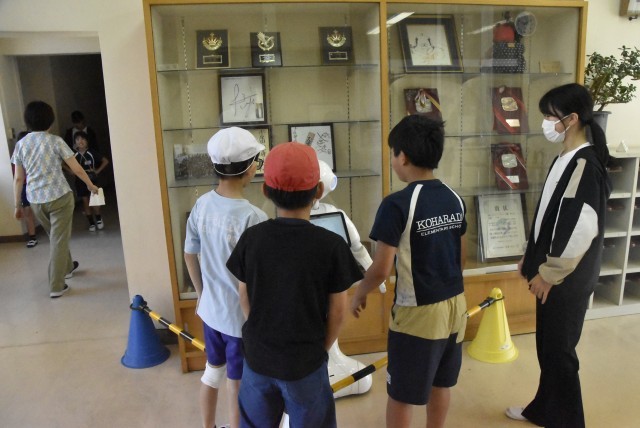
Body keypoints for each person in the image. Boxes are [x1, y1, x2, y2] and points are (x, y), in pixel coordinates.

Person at [226, 142, 363, 427]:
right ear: (319, 191)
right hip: (306, 364)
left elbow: (244, 296)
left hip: (258, 359)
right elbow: (338, 311)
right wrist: (320, 350)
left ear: (265, 190)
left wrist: (261, 333)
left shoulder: (252, 239)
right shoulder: (331, 245)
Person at [350, 115, 468, 428]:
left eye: (392, 154)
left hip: (418, 312)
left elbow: (381, 268)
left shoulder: (397, 204)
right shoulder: (454, 198)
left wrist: (360, 292)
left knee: (401, 393)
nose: (392, 161)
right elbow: (462, 257)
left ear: (402, 156)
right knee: (441, 383)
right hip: (456, 305)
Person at [505, 83, 611, 427]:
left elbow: (581, 228)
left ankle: (567, 421)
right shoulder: (564, 159)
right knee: (548, 349)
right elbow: (549, 215)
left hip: (566, 279)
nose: (546, 123)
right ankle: (543, 410)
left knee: (560, 353)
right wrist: (530, 254)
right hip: (550, 271)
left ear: (572, 119)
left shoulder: (586, 165)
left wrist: (549, 274)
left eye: (551, 116)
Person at [183, 127, 268, 428]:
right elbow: (257, 279)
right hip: (238, 320)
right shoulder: (254, 218)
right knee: (237, 382)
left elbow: (189, 253)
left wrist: (200, 294)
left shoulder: (202, 204)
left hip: (210, 312)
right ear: (250, 169)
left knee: (211, 372)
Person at [11, 101, 99, 298]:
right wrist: (90, 185)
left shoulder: (21, 145)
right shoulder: (55, 141)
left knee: (56, 236)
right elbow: (76, 168)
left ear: (28, 122)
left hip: (36, 200)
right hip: (59, 197)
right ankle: (56, 285)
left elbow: (18, 178)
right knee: (58, 240)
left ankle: (67, 267)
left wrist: (17, 205)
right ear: (50, 121)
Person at [72, 131, 109, 232]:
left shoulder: (92, 152)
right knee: (85, 201)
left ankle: (98, 218)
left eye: (83, 139)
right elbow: (66, 165)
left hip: (92, 179)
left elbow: (105, 161)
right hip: (80, 181)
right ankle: (91, 222)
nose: (81, 141)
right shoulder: (74, 156)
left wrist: (97, 171)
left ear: (87, 141)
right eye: (78, 139)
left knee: (95, 199)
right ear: (75, 143)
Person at [13, 131, 38, 248]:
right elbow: (17, 178)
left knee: (42, 209)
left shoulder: (37, 154)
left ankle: (51, 233)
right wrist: (17, 204)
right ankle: (32, 237)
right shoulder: (17, 156)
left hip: (37, 185)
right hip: (24, 186)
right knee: (27, 211)